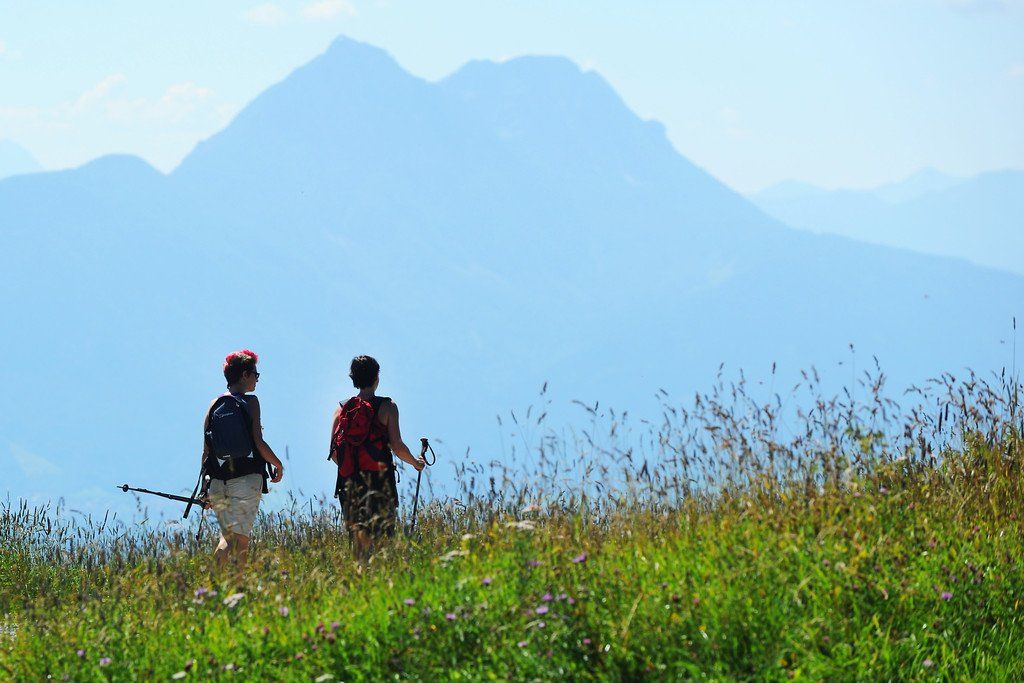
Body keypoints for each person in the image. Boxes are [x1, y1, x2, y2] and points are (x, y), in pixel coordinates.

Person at [330, 355, 425, 563]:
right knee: (383, 542)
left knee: (358, 543)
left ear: (353, 378)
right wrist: (415, 463)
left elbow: (335, 453)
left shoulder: (341, 409)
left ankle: (360, 576)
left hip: (348, 485)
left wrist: (352, 468)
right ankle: (381, 576)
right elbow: (397, 446)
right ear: (376, 378)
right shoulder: (387, 406)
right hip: (380, 483)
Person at [201, 349, 284, 573]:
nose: (257, 379)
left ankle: (232, 587)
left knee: (231, 538)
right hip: (245, 480)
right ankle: (214, 581)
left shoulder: (214, 404)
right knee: (237, 540)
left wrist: (204, 489)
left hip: (218, 482)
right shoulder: (250, 402)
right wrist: (278, 464)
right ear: (245, 375)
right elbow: (258, 441)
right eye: (255, 374)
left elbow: (206, 451)